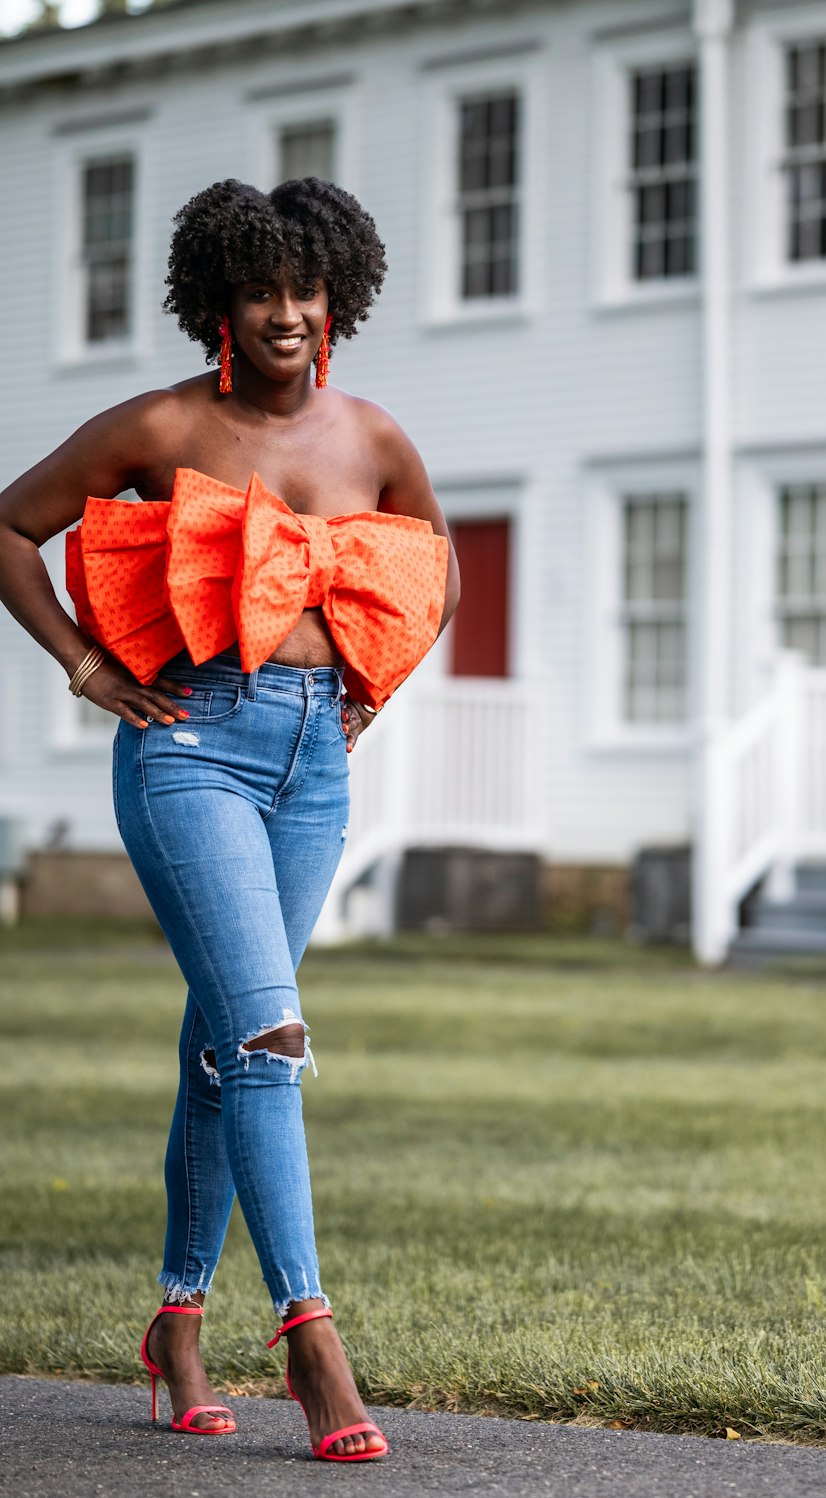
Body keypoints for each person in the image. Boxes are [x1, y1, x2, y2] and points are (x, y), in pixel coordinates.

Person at [0, 177, 459, 1463]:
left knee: (225, 1036)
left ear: (338, 298)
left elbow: (433, 556)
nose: (285, 312)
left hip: (317, 760)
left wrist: (376, 679)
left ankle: (175, 1324)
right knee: (269, 1030)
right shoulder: (161, 424)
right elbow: (8, 525)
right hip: (193, 744)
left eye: (304, 289)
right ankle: (314, 1340)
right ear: (219, 299)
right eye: (259, 288)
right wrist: (88, 670)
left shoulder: (371, 436)